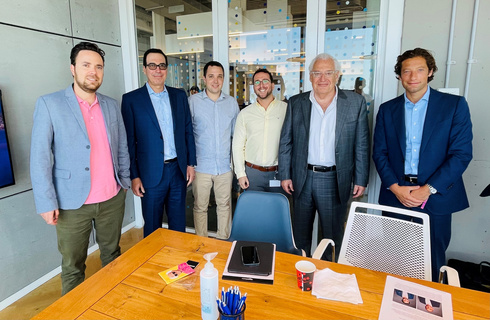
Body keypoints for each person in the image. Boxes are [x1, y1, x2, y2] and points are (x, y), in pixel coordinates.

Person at [30, 42, 131, 295]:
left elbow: (122, 147)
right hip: (71, 204)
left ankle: (114, 304)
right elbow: (40, 157)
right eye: (86, 65)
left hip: (112, 199)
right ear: (72, 68)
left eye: (98, 66)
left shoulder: (110, 105)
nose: (93, 72)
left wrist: (125, 182)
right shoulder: (49, 104)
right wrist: (45, 201)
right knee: (73, 267)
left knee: (113, 257)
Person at [372, 47, 473, 281]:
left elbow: (460, 155)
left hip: (435, 196)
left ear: (430, 72)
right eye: (406, 71)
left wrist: (426, 190)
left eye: (419, 70)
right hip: (396, 194)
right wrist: (395, 188)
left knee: (432, 259)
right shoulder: (388, 110)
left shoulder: (454, 106)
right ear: (399, 76)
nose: (412, 76)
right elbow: (380, 153)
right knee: (393, 258)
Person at [278, 53, 370, 259]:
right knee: (299, 236)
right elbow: (286, 141)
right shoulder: (296, 102)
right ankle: (300, 277)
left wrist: (361, 179)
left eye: (328, 73)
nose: (323, 78)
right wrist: (285, 174)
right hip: (302, 178)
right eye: (317, 73)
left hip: (335, 179)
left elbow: (362, 144)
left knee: (331, 238)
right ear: (310, 77)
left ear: (337, 75)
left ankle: (327, 279)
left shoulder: (355, 103)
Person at [121, 48, 196, 237]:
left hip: (177, 171)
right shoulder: (131, 100)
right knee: (153, 228)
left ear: (167, 69)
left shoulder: (179, 96)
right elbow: (128, 142)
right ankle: (154, 265)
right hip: (150, 174)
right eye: (152, 65)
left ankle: (178, 263)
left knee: (178, 226)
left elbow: (188, 131)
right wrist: (134, 176)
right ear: (144, 69)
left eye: (162, 65)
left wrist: (190, 163)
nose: (157, 70)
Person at [188, 61, 239, 239]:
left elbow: (236, 137)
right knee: (200, 207)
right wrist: (190, 164)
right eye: (211, 76)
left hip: (224, 167)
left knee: (224, 206)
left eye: (219, 76)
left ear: (223, 79)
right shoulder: (192, 102)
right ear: (204, 78)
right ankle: (201, 244)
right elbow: (187, 135)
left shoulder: (232, 103)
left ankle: (223, 243)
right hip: (201, 166)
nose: (215, 81)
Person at [232, 68, 287, 193]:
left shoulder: (286, 110)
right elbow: (238, 146)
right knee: (254, 211)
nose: (261, 85)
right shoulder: (245, 114)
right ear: (253, 87)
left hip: (279, 173)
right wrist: (240, 173)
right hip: (252, 174)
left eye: (265, 81)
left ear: (272, 85)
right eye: (257, 82)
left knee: (276, 211)